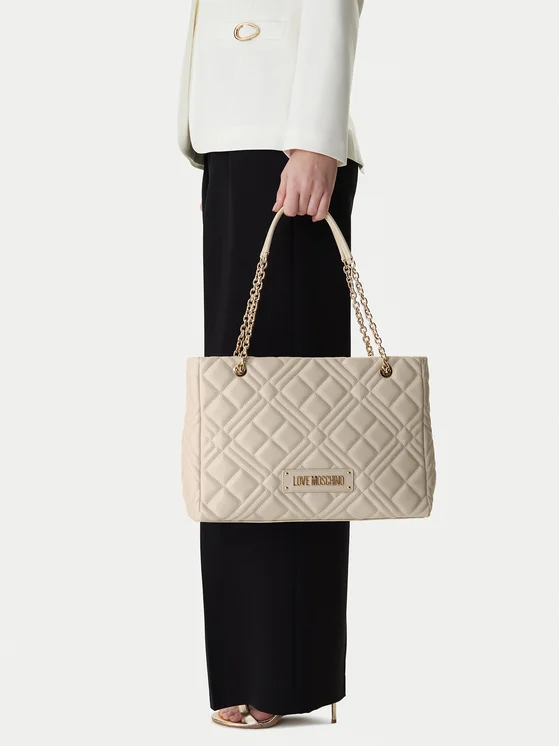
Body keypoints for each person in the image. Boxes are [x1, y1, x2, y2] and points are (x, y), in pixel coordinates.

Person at [177, 0, 365, 729]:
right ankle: (250, 664)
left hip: (286, 148)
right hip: (237, 145)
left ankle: (284, 674)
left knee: (290, 424)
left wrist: (316, 140)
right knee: (241, 422)